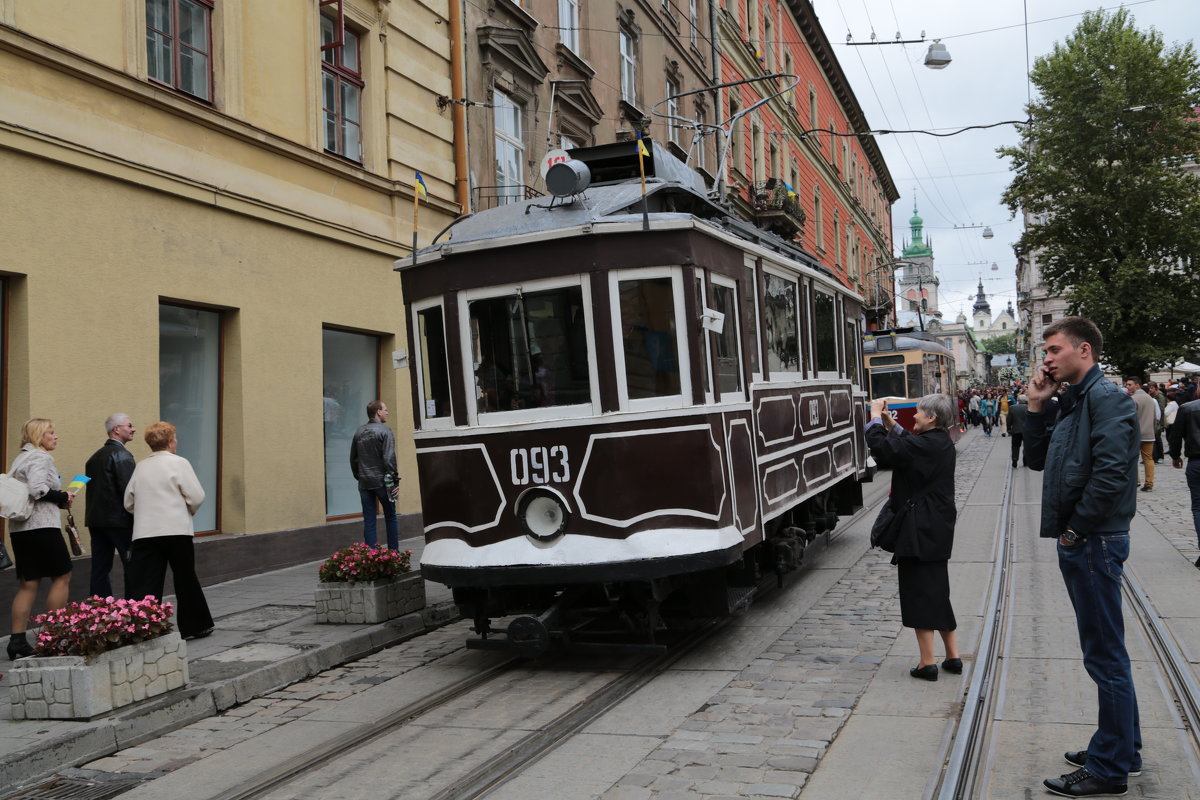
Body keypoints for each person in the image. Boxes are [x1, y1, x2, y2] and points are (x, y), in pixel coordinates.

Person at [1025, 317, 1141, 797]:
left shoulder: (1107, 399)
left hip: (1094, 541)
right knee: (1107, 651)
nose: (1046, 359)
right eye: (1045, 352)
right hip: (1088, 540)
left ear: (1084, 351)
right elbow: (1037, 460)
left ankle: (1110, 766)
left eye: (1053, 350)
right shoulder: (1076, 400)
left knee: (1104, 655)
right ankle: (1123, 748)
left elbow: (1113, 475)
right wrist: (1036, 406)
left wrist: (1074, 531)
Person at [866, 394, 960, 682]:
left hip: (917, 530)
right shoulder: (942, 442)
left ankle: (927, 663)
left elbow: (883, 449)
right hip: (937, 528)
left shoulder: (923, 446)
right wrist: (892, 424)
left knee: (919, 593)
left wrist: (873, 416)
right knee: (937, 592)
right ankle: (952, 656)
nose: (914, 416)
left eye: (918, 413)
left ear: (931, 417)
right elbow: (909, 445)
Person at [123, 422, 214, 640]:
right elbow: (197, 495)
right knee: (185, 578)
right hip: (176, 530)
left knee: (145, 581)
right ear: (171, 441)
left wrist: (145, 513)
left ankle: (143, 628)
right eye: (175, 438)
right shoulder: (179, 463)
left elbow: (128, 501)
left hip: (146, 532)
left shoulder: (141, 466)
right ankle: (195, 626)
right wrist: (188, 510)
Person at [6, 418, 75, 660]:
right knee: (62, 575)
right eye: (51, 433)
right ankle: (56, 635)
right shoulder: (41, 457)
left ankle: (17, 642)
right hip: (42, 527)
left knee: (29, 583)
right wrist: (62, 495)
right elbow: (38, 489)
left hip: (20, 530)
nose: (55, 437)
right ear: (39, 436)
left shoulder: (21, 458)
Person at [84, 413, 137, 598]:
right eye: (129, 425)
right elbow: (129, 490)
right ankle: (134, 611)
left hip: (96, 521)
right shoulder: (122, 455)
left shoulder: (94, 458)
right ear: (116, 429)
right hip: (120, 521)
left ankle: (100, 613)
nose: (133, 429)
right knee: (132, 564)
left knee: (99, 568)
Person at [350, 400, 400, 550]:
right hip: (383, 482)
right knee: (390, 517)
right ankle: (393, 555)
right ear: (378, 412)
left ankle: (371, 557)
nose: (387, 412)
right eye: (385, 409)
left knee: (369, 520)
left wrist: (359, 476)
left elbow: (353, 458)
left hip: (364, 482)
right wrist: (395, 481)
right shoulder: (385, 431)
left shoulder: (359, 431)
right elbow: (389, 458)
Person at [1168, 389, 1200, 569]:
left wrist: (1175, 455)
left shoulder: (1188, 408)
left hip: (1196, 461)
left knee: (1198, 506)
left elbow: (1175, 435)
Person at [1124, 376, 1158, 492]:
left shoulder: (1132, 399)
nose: (1127, 387)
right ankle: (1149, 483)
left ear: (1137, 385)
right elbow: (1156, 417)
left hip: (1135, 434)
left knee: (1133, 458)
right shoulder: (1151, 399)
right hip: (1149, 433)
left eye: (1129, 384)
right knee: (1149, 459)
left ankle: (1136, 480)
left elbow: (1129, 418)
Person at [1008, 394, 1029, 468]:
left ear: (1018, 400)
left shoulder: (1012, 407)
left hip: (1016, 430)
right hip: (1027, 430)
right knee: (1026, 446)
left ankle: (1015, 460)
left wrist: (1008, 429)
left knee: (1015, 446)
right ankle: (1025, 460)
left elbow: (1009, 420)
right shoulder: (1028, 407)